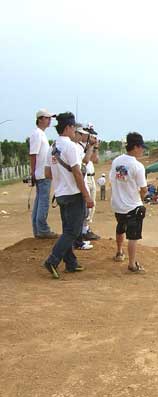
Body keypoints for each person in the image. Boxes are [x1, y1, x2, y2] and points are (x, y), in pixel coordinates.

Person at [42, 112, 95, 279]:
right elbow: (77, 173)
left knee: (67, 229)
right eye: (74, 128)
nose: (75, 131)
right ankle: (52, 260)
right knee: (73, 231)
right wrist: (87, 196)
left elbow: (47, 173)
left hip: (60, 194)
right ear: (68, 127)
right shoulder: (70, 146)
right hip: (74, 194)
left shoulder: (52, 147)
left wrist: (61, 179)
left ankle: (71, 263)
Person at [110, 132, 148, 273]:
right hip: (132, 205)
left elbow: (113, 179)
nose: (142, 150)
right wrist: (141, 199)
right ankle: (132, 264)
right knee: (133, 236)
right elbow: (143, 189)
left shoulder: (116, 161)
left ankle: (119, 252)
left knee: (120, 227)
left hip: (117, 204)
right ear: (136, 147)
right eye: (141, 147)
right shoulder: (137, 166)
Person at [29, 109, 58, 239]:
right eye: (47, 118)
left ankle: (38, 229)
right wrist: (33, 172)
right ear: (40, 119)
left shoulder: (41, 134)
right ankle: (42, 229)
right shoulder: (37, 134)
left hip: (41, 172)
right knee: (43, 201)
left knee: (39, 201)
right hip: (41, 173)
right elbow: (33, 154)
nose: (49, 120)